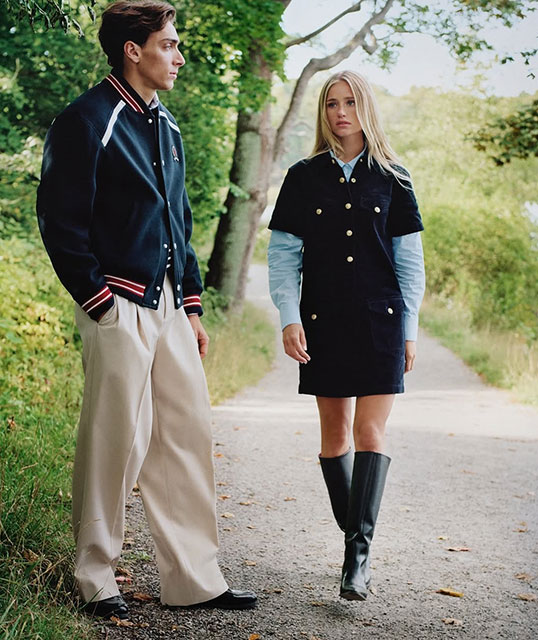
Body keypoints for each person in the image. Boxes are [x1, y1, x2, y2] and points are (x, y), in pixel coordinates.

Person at [36, 0, 256, 620]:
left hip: (168, 305)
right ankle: (95, 577)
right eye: (169, 45)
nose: (179, 56)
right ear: (133, 51)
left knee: (186, 435)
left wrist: (192, 304)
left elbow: (178, 220)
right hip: (117, 303)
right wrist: (97, 300)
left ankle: (193, 579)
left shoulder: (168, 125)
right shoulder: (86, 120)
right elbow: (59, 219)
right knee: (116, 441)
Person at [268, 70, 425, 601]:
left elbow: (410, 263)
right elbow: (283, 256)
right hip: (324, 322)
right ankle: (355, 539)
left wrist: (409, 330)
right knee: (335, 438)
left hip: (382, 321)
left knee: (370, 434)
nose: (341, 112)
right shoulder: (302, 177)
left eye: (351, 102)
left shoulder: (395, 178)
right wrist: (289, 316)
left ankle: (356, 559)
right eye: (332, 103)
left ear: (366, 108)